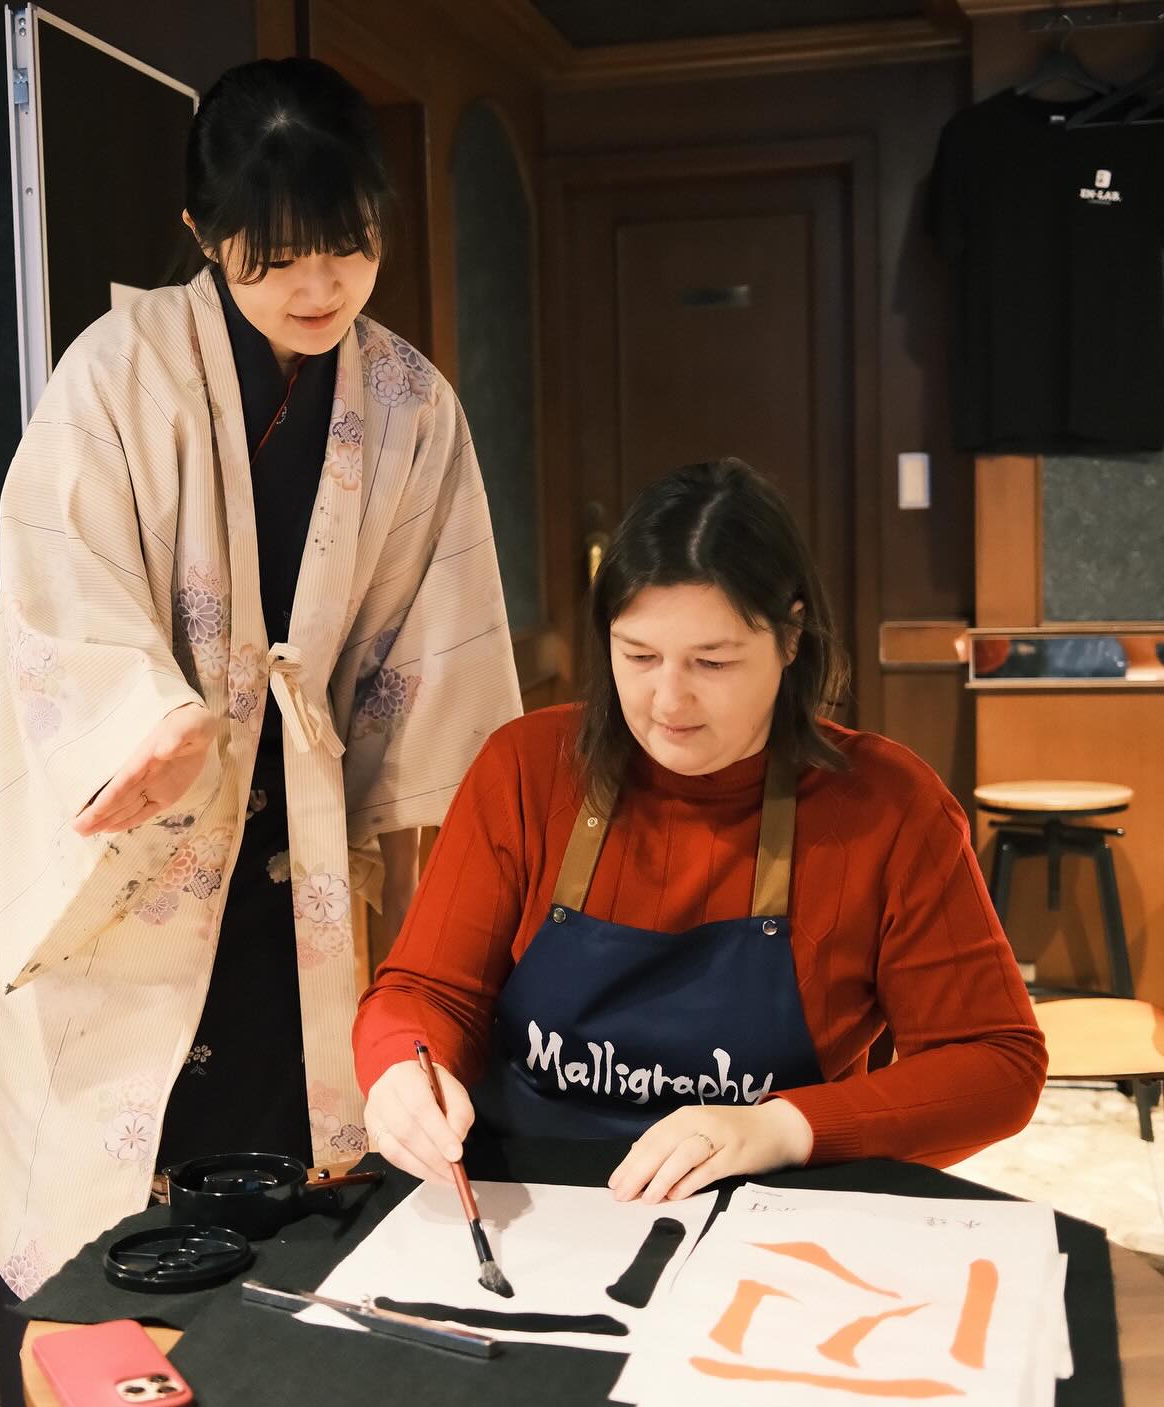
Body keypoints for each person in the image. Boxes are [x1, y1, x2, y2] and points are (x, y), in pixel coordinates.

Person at [0, 57, 520, 1407]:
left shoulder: (408, 405)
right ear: (206, 238)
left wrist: (452, 843)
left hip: (307, 825)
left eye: (350, 247)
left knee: (305, 1148)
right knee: (133, 1182)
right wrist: (143, 725)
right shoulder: (117, 375)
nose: (322, 286)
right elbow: (60, 587)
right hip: (147, 816)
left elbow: (435, 640)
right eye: (277, 258)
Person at [354, 459, 1046, 1206]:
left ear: (790, 638)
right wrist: (403, 1067)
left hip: (768, 1211)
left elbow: (995, 1064)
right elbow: (425, 991)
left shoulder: (887, 807)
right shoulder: (526, 770)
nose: (668, 700)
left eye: (712, 662)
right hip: (526, 1202)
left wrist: (782, 1129)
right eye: (639, 657)